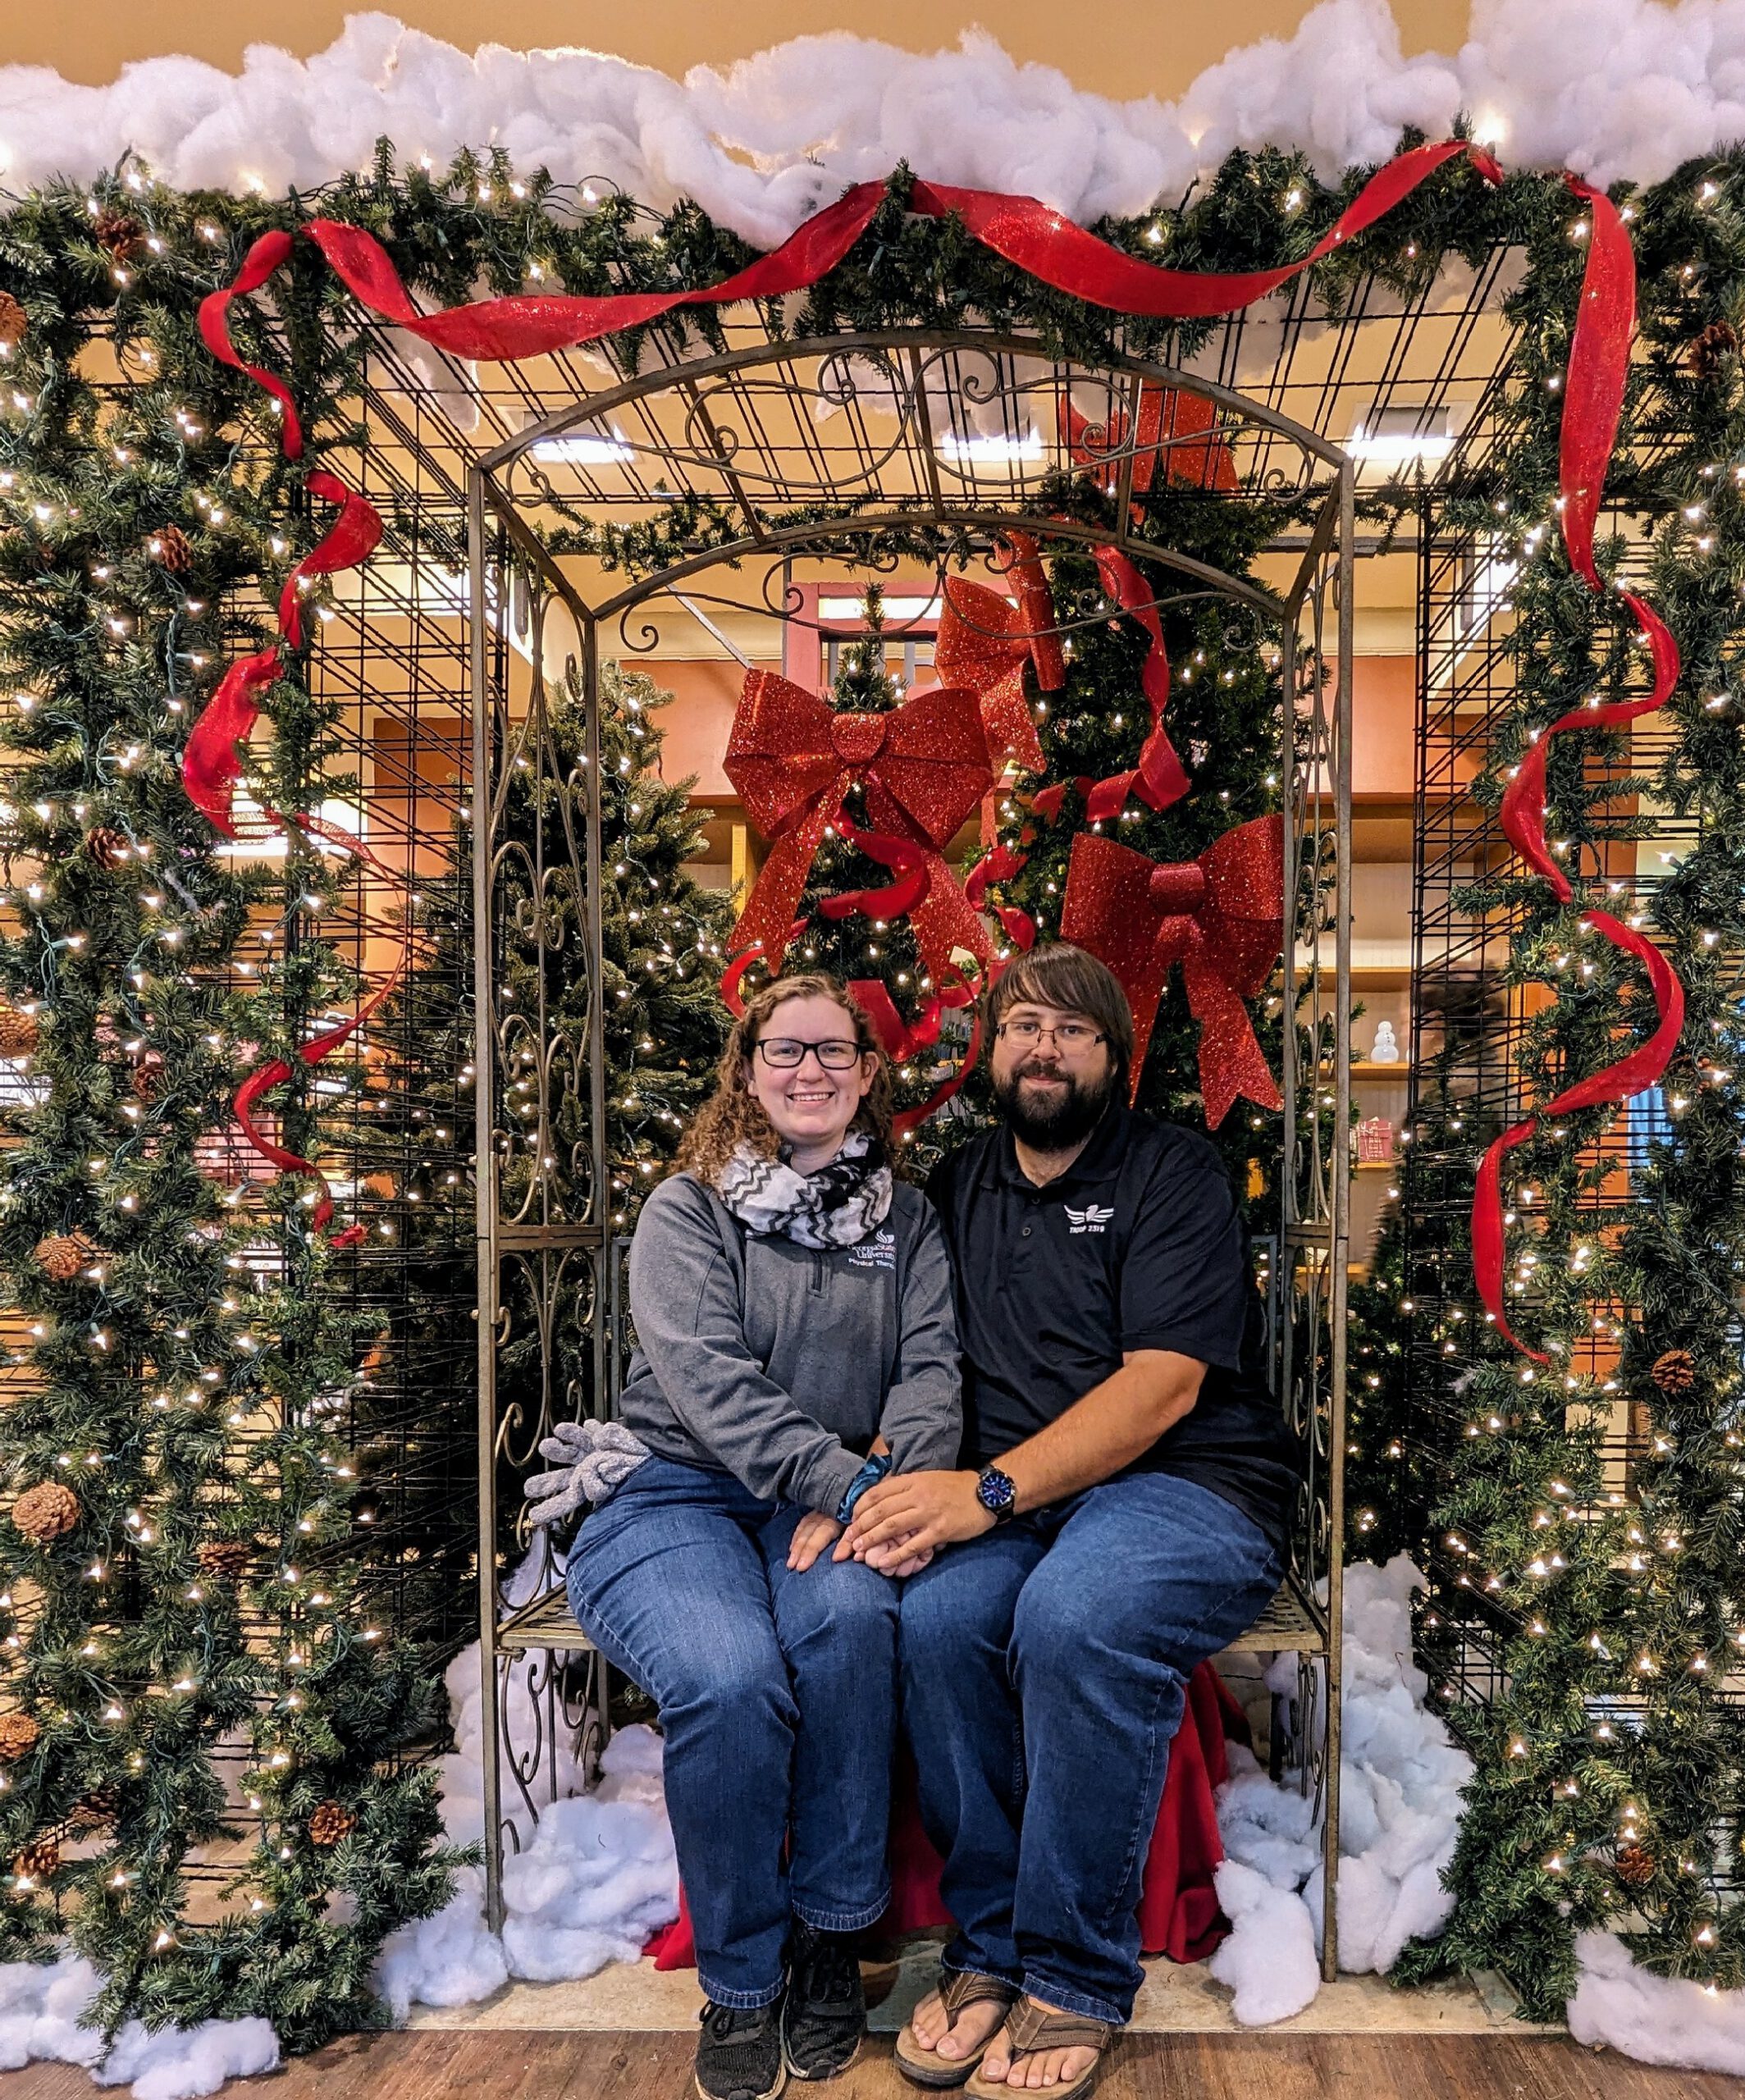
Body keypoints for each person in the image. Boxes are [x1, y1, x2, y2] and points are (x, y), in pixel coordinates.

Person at [843, 943, 1295, 2100]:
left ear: (1115, 1057)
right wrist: (874, 1485)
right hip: (1018, 1500)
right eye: (1022, 1027)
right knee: (937, 1621)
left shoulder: (1173, 1172)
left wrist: (985, 1493)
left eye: (1072, 1029)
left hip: (1188, 1489)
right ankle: (992, 1949)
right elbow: (917, 1362)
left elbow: (1164, 1387)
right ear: (991, 1051)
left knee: (1076, 1615)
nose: (1043, 1048)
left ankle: (1077, 1976)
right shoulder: (957, 1186)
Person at [560, 974, 962, 2100]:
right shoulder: (687, 1210)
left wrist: (872, 1493)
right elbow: (710, 1385)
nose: (809, 1071)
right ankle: (740, 1981)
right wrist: (843, 1477)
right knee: (729, 1680)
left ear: (869, 1074)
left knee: (848, 1629)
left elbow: (933, 1375)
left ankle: (830, 1937)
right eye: (785, 1050)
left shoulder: (909, 1221)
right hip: (674, 1493)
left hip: (832, 1502)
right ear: (747, 1069)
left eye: (834, 1052)